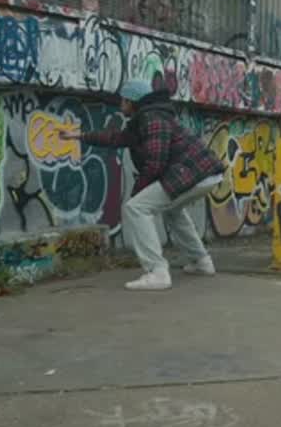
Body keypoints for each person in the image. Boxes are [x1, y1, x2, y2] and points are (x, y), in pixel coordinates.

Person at [62, 75, 226, 291]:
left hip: (193, 172)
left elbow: (156, 161)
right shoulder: (146, 119)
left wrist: (138, 190)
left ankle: (157, 271)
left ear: (131, 101)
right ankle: (201, 261)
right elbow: (115, 138)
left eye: (123, 100)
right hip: (204, 173)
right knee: (173, 211)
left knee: (136, 207)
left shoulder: (152, 119)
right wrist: (79, 136)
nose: (120, 105)